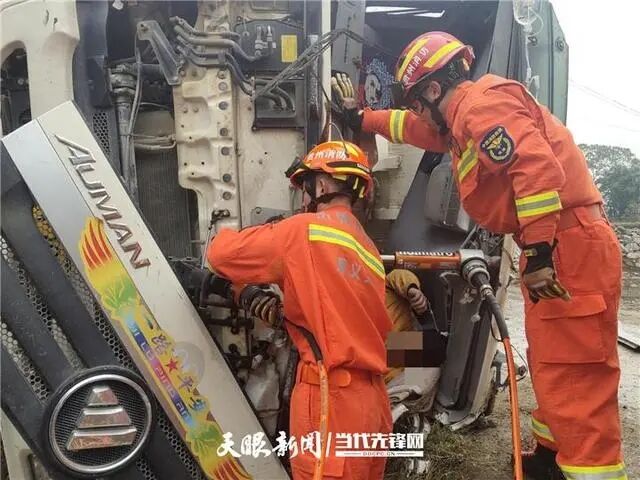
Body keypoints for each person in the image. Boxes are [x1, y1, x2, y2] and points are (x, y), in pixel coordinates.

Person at [332, 31, 626, 480]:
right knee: (553, 361)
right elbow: (417, 130)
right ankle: (552, 457)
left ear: (434, 90)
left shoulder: (481, 107)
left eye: (416, 102)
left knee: (577, 368)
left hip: (567, 245)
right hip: (561, 243)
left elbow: (535, 169)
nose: (417, 113)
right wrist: (362, 118)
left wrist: (540, 251)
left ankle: (588, 470)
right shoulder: (461, 119)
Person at [207, 141, 393, 480]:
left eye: (305, 188)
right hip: (373, 404)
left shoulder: (303, 230)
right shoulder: (368, 249)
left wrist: (254, 230)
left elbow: (221, 255)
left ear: (320, 185)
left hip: (330, 399)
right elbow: (332, 313)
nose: (304, 199)